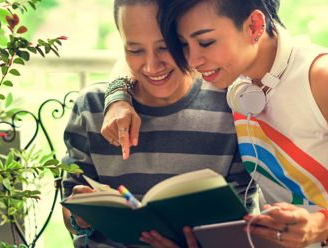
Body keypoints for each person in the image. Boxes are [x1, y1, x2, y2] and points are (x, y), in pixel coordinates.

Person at [101, 0, 328, 247]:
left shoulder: (325, 79)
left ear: (255, 26)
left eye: (206, 42)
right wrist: (118, 97)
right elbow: (140, 56)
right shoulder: (232, 72)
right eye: (183, 44)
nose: (192, 60)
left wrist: (323, 226)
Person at [61, 0, 256, 247]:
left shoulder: (231, 106)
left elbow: (240, 224)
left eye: (164, 47)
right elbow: (70, 214)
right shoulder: (92, 107)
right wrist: (80, 217)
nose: (152, 66)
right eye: (135, 50)